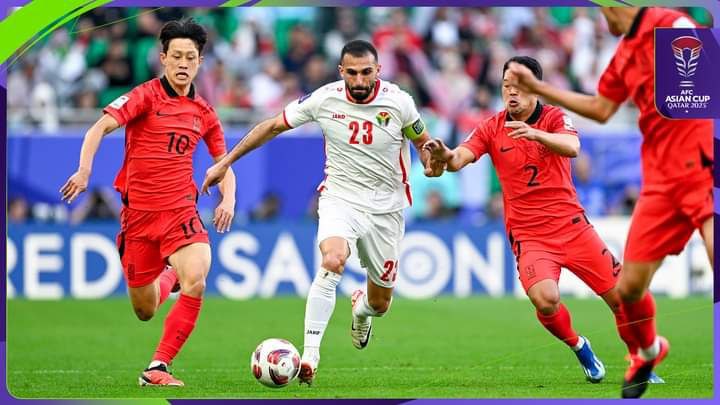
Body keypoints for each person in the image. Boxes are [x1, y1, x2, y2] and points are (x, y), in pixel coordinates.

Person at [201, 39, 442, 386]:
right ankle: (310, 356)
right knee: (332, 260)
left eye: (366, 72)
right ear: (341, 71)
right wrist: (225, 163)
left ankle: (361, 309)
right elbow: (272, 126)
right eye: (352, 73)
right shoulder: (324, 98)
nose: (359, 80)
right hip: (340, 198)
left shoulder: (400, 102)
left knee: (380, 304)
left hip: (387, 208)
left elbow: (423, 144)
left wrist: (432, 163)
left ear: (378, 70)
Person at [507, 7, 712, 398]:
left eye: (605, 11)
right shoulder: (623, 55)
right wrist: (539, 88)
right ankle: (647, 351)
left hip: (702, 165)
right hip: (660, 180)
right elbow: (601, 109)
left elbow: (703, 88)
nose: (605, 21)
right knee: (629, 290)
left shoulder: (670, 25)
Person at [424, 56, 657, 386]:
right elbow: (459, 158)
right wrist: (444, 155)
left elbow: (572, 146)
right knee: (545, 299)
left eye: (519, 86)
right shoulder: (491, 127)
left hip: (572, 227)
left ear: (535, 88)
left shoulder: (554, 117)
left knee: (621, 298)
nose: (511, 92)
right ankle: (579, 346)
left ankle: (639, 361)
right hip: (529, 235)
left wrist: (536, 135)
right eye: (506, 86)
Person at [60, 19, 236, 387]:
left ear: (200, 61)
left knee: (197, 278)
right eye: (177, 56)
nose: (183, 63)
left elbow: (224, 164)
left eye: (190, 57)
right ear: (163, 58)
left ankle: (158, 367)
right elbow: (99, 128)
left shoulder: (204, 113)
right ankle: (170, 275)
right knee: (145, 309)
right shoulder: (144, 96)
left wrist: (228, 199)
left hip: (180, 212)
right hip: (138, 218)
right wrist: (84, 171)